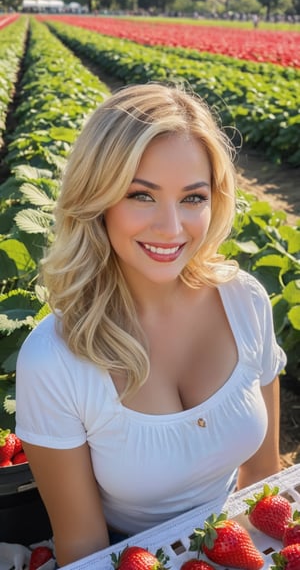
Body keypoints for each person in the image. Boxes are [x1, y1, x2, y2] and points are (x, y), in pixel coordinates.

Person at [16, 82, 286, 567]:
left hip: (234, 547)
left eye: (192, 198)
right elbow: (84, 546)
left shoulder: (245, 301)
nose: (171, 227)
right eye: (142, 195)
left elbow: (264, 481)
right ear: (97, 199)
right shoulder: (53, 358)